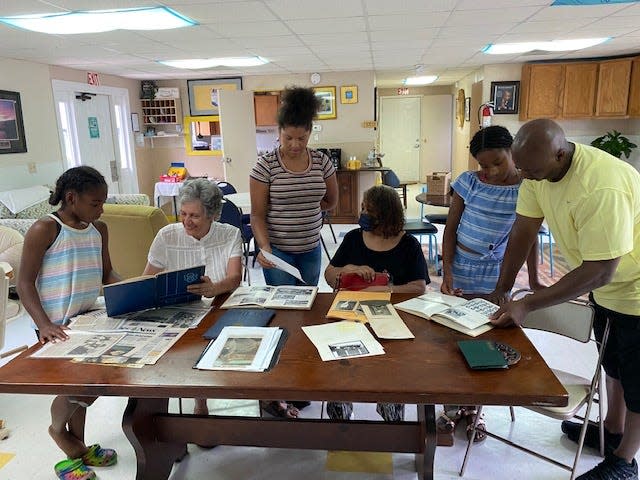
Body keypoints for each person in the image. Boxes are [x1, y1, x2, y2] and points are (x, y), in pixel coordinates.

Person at [489, 118, 640, 480]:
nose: (524, 176)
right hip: (610, 288)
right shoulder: (535, 171)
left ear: (560, 153)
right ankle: (611, 428)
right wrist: (502, 288)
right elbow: (523, 230)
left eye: (531, 169)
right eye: (520, 167)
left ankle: (625, 460)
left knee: (638, 378)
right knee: (613, 362)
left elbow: (600, 269)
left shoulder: (601, 186)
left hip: (635, 289)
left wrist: (527, 304)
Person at [436, 125, 542, 445]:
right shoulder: (469, 183)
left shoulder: (527, 188)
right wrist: (448, 273)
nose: (491, 171)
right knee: (455, 339)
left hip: (498, 275)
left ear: (512, 152)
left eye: (497, 161)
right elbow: (451, 230)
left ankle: (477, 412)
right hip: (464, 270)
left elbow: (528, 240)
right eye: (483, 165)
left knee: (489, 344)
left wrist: (534, 279)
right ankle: (453, 406)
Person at [17, 166, 120, 480]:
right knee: (72, 387)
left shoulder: (98, 228)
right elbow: (24, 284)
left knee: (88, 387)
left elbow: (107, 274)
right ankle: (60, 436)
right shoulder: (45, 229)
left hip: (89, 320)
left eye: (103, 203)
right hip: (56, 326)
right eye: (95, 203)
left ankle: (81, 445)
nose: (101, 209)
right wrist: (45, 325)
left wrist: (130, 290)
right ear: (71, 198)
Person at [250, 86, 338, 419]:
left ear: (310, 133)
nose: (295, 145)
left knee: (306, 314)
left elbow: (332, 201)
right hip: (279, 254)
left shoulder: (322, 161)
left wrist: (311, 210)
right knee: (282, 316)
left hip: (311, 250)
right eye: (288, 138)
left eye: (301, 138)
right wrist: (265, 249)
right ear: (279, 133)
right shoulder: (266, 166)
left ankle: (299, 381)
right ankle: (275, 389)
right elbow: (257, 215)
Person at [324, 185, 429, 421]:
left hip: (392, 319)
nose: (363, 214)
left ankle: (390, 416)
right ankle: (341, 417)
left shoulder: (408, 245)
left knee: (390, 369)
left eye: (369, 211)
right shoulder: (353, 239)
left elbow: (419, 287)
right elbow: (329, 276)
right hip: (351, 316)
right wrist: (347, 270)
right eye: (363, 208)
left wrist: (386, 289)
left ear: (386, 214)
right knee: (342, 365)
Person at [143, 178, 242, 417]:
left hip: (218, 307)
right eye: (183, 213)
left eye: (195, 216)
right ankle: (175, 408)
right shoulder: (167, 235)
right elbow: (146, 278)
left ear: (213, 215)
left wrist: (214, 288)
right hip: (176, 310)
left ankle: (203, 399)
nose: (187, 221)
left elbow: (235, 278)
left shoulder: (230, 234)